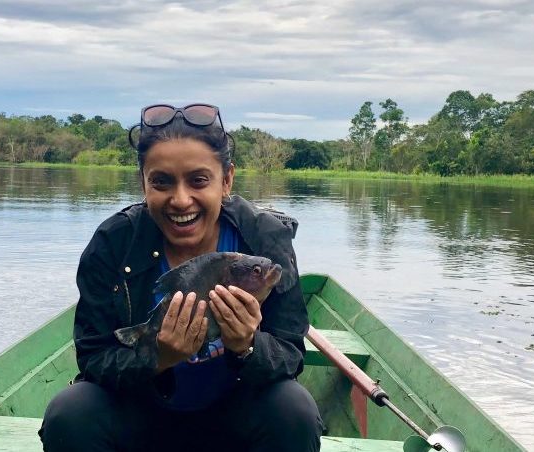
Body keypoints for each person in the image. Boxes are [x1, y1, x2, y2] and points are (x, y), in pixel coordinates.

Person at [39, 103, 323, 452]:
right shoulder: (114, 243)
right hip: (143, 414)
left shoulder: (265, 241)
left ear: (227, 180)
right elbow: (94, 358)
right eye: (161, 182)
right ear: (143, 183)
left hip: (234, 416)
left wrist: (246, 346)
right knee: (70, 414)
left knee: (295, 411)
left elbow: (290, 354)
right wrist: (159, 357)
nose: (181, 199)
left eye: (198, 180)